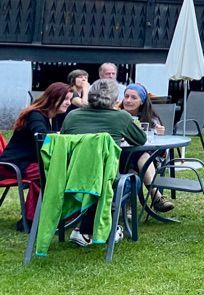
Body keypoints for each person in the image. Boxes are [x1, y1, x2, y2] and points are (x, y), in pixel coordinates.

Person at [63, 79, 174, 213]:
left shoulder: (71, 116)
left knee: (133, 161)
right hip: (106, 180)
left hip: (72, 177)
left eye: (133, 97)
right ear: (115, 98)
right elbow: (141, 139)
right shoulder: (120, 117)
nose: (128, 100)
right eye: (125, 96)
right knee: (133, 179)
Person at [0, 82, 71, 227]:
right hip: (13, 165)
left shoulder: (54, 117)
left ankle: (57, 216)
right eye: (65, 99)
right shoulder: (35, 115)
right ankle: (31, 220)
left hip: (30, 163)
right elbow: (41, 136)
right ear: (54, 98)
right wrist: (61, 135)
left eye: (69, 99)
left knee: (59, 170)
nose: (69, 103)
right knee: (47, 173)